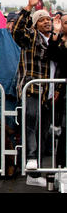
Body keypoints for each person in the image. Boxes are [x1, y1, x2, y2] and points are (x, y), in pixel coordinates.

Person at [12, 0, 53, 187]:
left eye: (49, 19)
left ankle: (36, 172)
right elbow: (17, 31)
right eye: (42, 19)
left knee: (44, 131)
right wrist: (29, 7)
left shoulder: (52, 42)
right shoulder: (31, 38)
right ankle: (31, 165)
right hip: (33, 89)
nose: (47, 22)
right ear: (35, 24)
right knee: (31, 127)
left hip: (50, 93)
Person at [47, 13, 67, 168]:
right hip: (62, 90)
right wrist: (55, 33)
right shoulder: (58, 41)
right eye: (65, 23)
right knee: (63, 129)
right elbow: (52, 56)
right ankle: (61, 165)